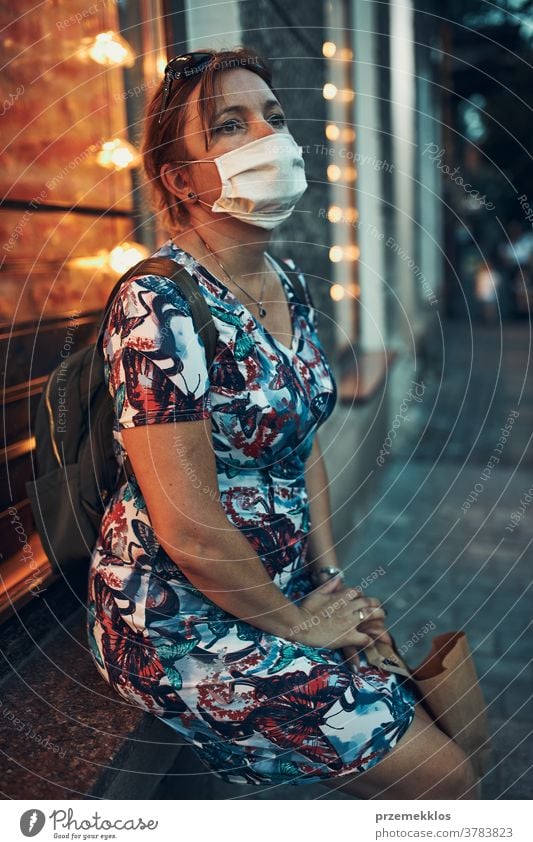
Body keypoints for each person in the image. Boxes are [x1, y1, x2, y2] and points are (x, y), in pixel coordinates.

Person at [87, 46, 478, 799]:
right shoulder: (157, 305)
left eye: (273, 116)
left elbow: (300, 446)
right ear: (181, 180)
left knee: (427, 717)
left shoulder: (284, 279)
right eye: (231, 126)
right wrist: (301, 626)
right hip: (179, 622)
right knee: (444, 778)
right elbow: (191, 527)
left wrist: (327, 580)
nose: (269, 138)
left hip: (282, 589)